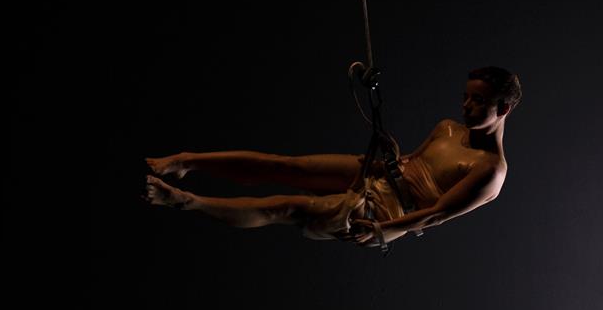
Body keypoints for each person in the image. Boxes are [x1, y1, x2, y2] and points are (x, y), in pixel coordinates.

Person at [143, 66, 521, 248]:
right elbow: (413, 162)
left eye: (479, 101)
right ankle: (186, 161)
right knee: (286, 166)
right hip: (381, 174)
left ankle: (184, 200)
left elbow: (436, 214)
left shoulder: (490, 170)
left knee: (287, 207)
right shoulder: (448, 128)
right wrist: (393, 153)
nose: (466, 106)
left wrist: (383, 231)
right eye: (466, 97)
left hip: (388, 213)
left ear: (503, 109)